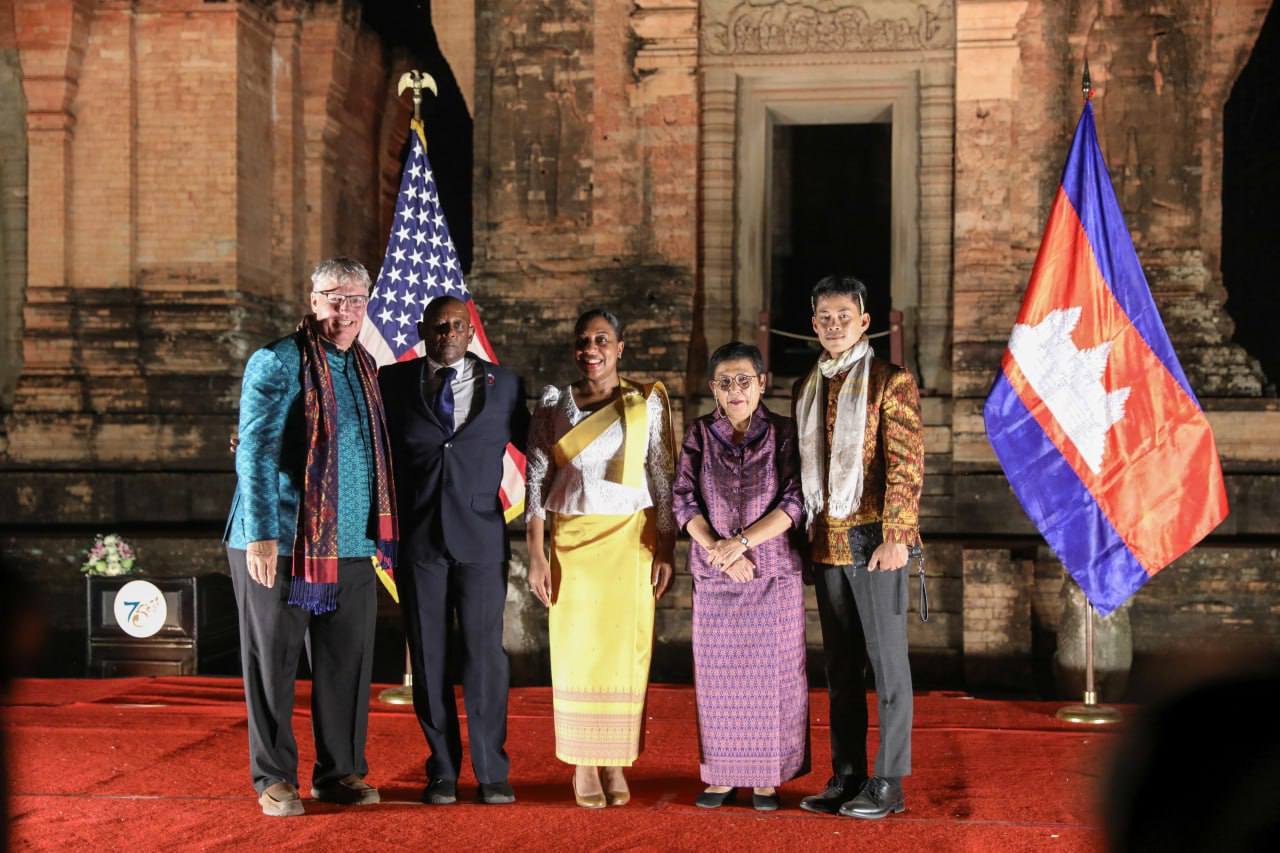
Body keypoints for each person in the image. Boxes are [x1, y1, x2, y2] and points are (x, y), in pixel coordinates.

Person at [223, 257, 398, 817]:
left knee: (347, 665)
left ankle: (339, 773)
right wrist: (262, 536)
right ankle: (273, 777)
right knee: (272, 664)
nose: (344, 310)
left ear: (366, 302)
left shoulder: (364, 366)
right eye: (333, 298)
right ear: (312, 299)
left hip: (350, 545)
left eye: (354, 299)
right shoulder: (276, 361)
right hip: (280, 540)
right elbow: (253, 450)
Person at [377, 295, 530, 806]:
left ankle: (491, 770)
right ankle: (442, 769)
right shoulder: (392, 383)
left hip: (481, 541)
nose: (446, 334)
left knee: (485, 657)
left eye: (456, 327)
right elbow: (363, 441)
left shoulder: (505, 385)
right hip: (419, 542)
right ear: (424, 330)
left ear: (470, 331)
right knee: (430, 656)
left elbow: (547, 449)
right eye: (437, 327)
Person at [524, 309, 676, 809]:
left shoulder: (644, 403)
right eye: (584, 341)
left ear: (621, 347)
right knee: (577, 652)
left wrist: (667, 547)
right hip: (571, 542)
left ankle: (614, 757)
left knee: (622, 653)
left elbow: (661, 478)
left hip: (630, 542)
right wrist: (536, 556)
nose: (592, 349)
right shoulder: (553, 403)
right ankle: (583, 762)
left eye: (602, 340)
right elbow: (536, 481)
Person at [794, 275, 924, 820]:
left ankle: (888, 782)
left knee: (887, 668)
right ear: (814, 323)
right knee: (840, 671)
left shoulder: (890, 381)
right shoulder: (808, 385)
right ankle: (847, 776)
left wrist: (897, 537)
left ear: (864, 321)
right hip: (827, 542)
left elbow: (907, 463)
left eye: (844, 316)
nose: (834, 325)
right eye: (825, 317)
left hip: (876, 542)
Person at [672, 341, 809, 812]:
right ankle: (723, 775)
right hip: (715, 576)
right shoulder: (698, 434)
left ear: (761, 384)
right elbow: (683, 500)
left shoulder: (785, 434)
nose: (735, 390)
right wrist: (719, 550)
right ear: (713, 388)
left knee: (773, 679)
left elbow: (795, 500)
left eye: (744, 381)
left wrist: (743, 544)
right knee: (718, 679)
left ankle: (768, 779)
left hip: (772, 573)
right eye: (725, 382)